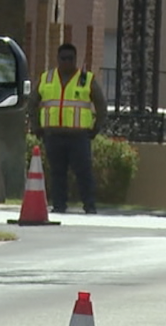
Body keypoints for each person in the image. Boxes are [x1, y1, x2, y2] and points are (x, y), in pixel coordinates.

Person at [30, 43, 108, 214]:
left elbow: (101, 106)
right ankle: (59, 205)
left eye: (70, 59)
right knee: (57, 173)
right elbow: (32, 103)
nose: (67, 62)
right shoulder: (46, 78)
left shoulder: (86, 79)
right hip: (53, 135)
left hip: (79, 136)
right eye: (63, 58)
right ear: (57, 59)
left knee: (83, 172)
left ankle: (89, 205)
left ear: (75, 59)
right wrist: (36, 127)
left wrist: (96, 129)